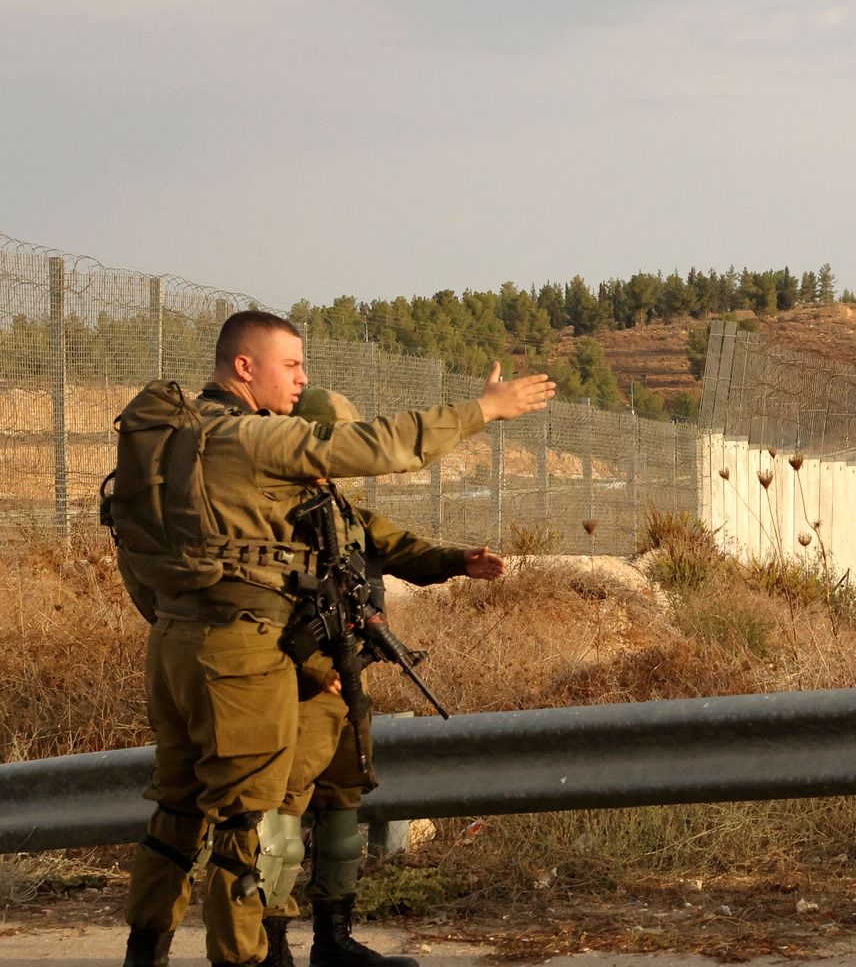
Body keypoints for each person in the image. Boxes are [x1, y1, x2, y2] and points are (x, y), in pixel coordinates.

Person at [112, 310, 553, 967]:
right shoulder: (247, 440)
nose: (299, 378)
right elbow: (379, 445)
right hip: (245, 653)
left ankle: (143, 955)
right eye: (290, 365)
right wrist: (484, 409)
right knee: (251, 828)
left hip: (180, 645)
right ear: (243, 366)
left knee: (177, 814)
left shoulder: (178, 443)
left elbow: (140, 557)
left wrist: (186, 622)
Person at [253, 387, 508, 967]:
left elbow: (397, 547)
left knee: (342, 808)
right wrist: (315, 670)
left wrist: (458, 561)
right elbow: (256, 606)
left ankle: (332, 941)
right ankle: (268, 945)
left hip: (347, 681)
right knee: (282, 818)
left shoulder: (342, 512)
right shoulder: (269, 516)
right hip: (294, 687)